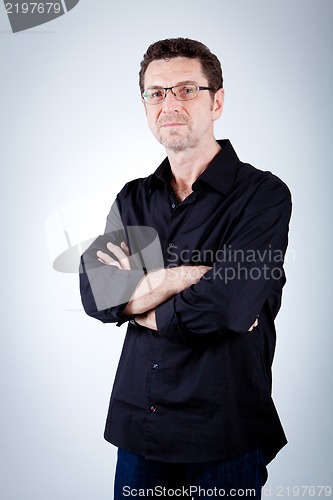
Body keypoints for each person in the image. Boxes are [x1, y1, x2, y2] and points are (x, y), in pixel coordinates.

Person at [80, 38, 292, 499]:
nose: (168, 104)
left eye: (185, 89)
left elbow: (229, 307)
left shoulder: (263, 195)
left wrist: (136, 303)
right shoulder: (134, 197)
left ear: (216, 101)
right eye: (155, 93)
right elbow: (96, 295)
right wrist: (185, 275)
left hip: (223, 431)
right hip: (141, 430)